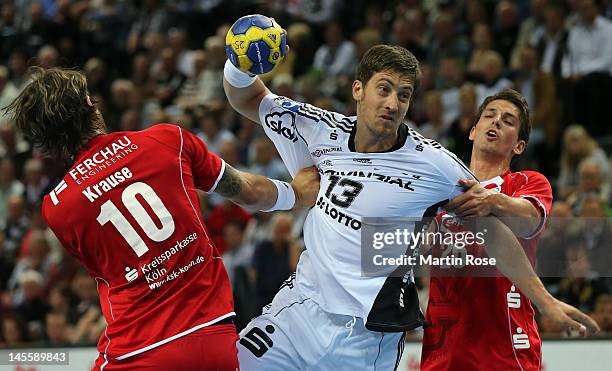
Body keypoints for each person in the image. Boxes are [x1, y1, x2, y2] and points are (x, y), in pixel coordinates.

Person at [224, 38, 598, 369]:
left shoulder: (438, 167)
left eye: (403, 95)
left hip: (367, 339)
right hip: (298, 314)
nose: (392, 103)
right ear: (358, 89)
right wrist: (239, 61)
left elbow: (497, 234)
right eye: (384, 89)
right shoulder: (319, 128)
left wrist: (545, 301)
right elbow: (249, 98)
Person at [3, 67, 320, 370]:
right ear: (91, 105)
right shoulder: (168, 139)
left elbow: (108, 270)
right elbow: (247, 191)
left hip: (138, 350)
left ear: (46, 142)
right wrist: (294, 193)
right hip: (214, 338)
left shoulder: (58, 207)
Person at [421, 89, 552, 369]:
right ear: (472, 131)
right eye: (490, 116)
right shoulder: (438, 189)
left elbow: (530, 220)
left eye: (508, 121)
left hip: (504, 351)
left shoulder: (527, 183)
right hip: (442, 352)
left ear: (519, 146)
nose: (495, 122)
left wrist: (490, 200)